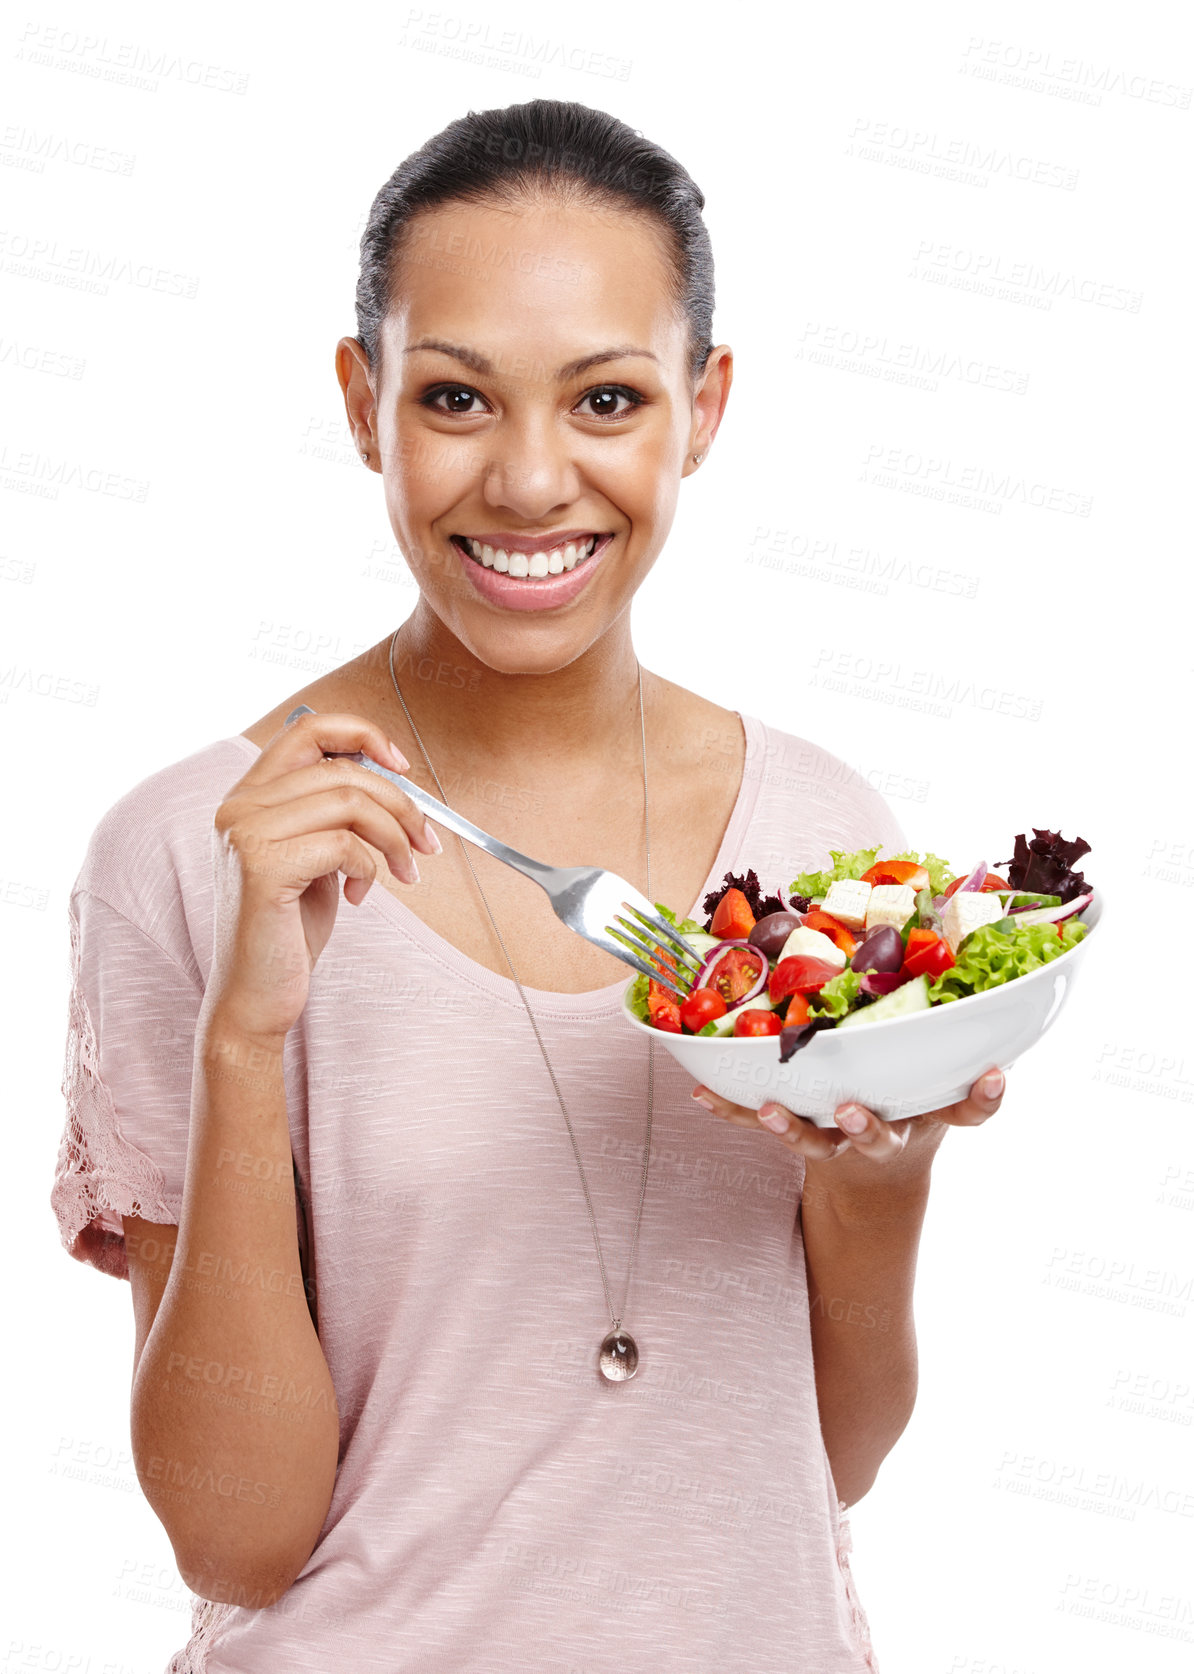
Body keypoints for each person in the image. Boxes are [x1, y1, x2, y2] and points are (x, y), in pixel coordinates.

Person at [51, 98, 1006, 1673]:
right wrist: (243, 1038)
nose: (529, 478)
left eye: (608, 398)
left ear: (702, 408)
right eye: (454, 398)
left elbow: (825, 1456)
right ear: (364, 404)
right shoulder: (191, 846)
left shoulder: (821, 841)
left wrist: (878, 1167)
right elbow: (234, 1535)